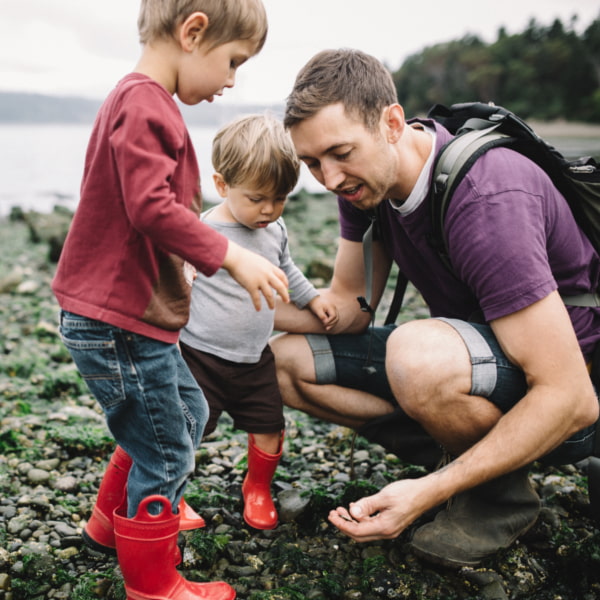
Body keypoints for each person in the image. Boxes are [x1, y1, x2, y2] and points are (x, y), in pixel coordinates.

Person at [270, 48, 600, 568]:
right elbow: (347, 309)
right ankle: (469, 458)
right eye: (312, 162)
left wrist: (423, 493)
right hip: (482, 362)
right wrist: (221, 302)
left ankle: (495, 498)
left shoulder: (486, 198)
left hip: (566, 392)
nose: (329, 178)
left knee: (416, 357)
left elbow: (572, 397)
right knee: (284, 364)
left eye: (340, 152)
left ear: (393, 123)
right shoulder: (363, 185)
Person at [52, 2, 289, 599]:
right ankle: (153, 586)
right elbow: (149, 207)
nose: (233, 79)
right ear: (193, 33)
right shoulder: (146, 104)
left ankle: (111, 525)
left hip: (132, 319)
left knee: (186, 416)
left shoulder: (141, 102)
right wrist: (229, 254)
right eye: (233, 61)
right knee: (165, 449)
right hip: (118, 322)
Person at [180, 114, 338, 530]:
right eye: (256, 198)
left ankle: (257, 488)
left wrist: (312, 298)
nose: (268, 209)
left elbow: (287, 268)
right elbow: (172, 274)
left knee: (270, 428)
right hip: (200, 357)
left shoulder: (275, 227)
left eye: (280, 197)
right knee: (186, 430)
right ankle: (170, 495)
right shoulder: (203, 232)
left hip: (253, 358)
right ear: (222, 185)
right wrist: (181, 272)